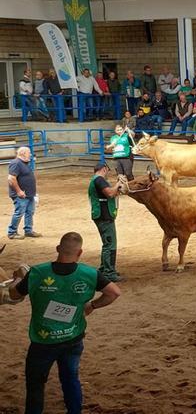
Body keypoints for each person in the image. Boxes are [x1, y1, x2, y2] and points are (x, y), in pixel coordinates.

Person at [4, 232, 122, 414]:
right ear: (80, 252)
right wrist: (92, 305)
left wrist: (19, 278)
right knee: (70, 379)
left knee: (35, 385)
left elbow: (13, 294)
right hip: (73, 338)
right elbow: (114, 292)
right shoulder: (89, 273)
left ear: (58, 249)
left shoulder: (37, 272)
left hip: (43, 341)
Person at [88, 162, 124, 282]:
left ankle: (105, 269)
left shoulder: (95, 180)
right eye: (107, 171)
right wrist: (118, 184)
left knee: (107, 243)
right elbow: (110, 193)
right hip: (104, 215)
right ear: (104, 169)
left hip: (101, 214)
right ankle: (109, 272)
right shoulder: (100, 180)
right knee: (110, 244)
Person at [8, 147, 39, 240]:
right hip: (21, 195)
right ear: (23, 153)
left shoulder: (24, 163)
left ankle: (28, 230)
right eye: (29, 153)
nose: (30, 154)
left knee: (30, 212)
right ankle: (12, 232)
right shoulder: (16, 163)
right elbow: (11, 178)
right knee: (19, 213)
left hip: (29, 194)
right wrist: (18, 191)